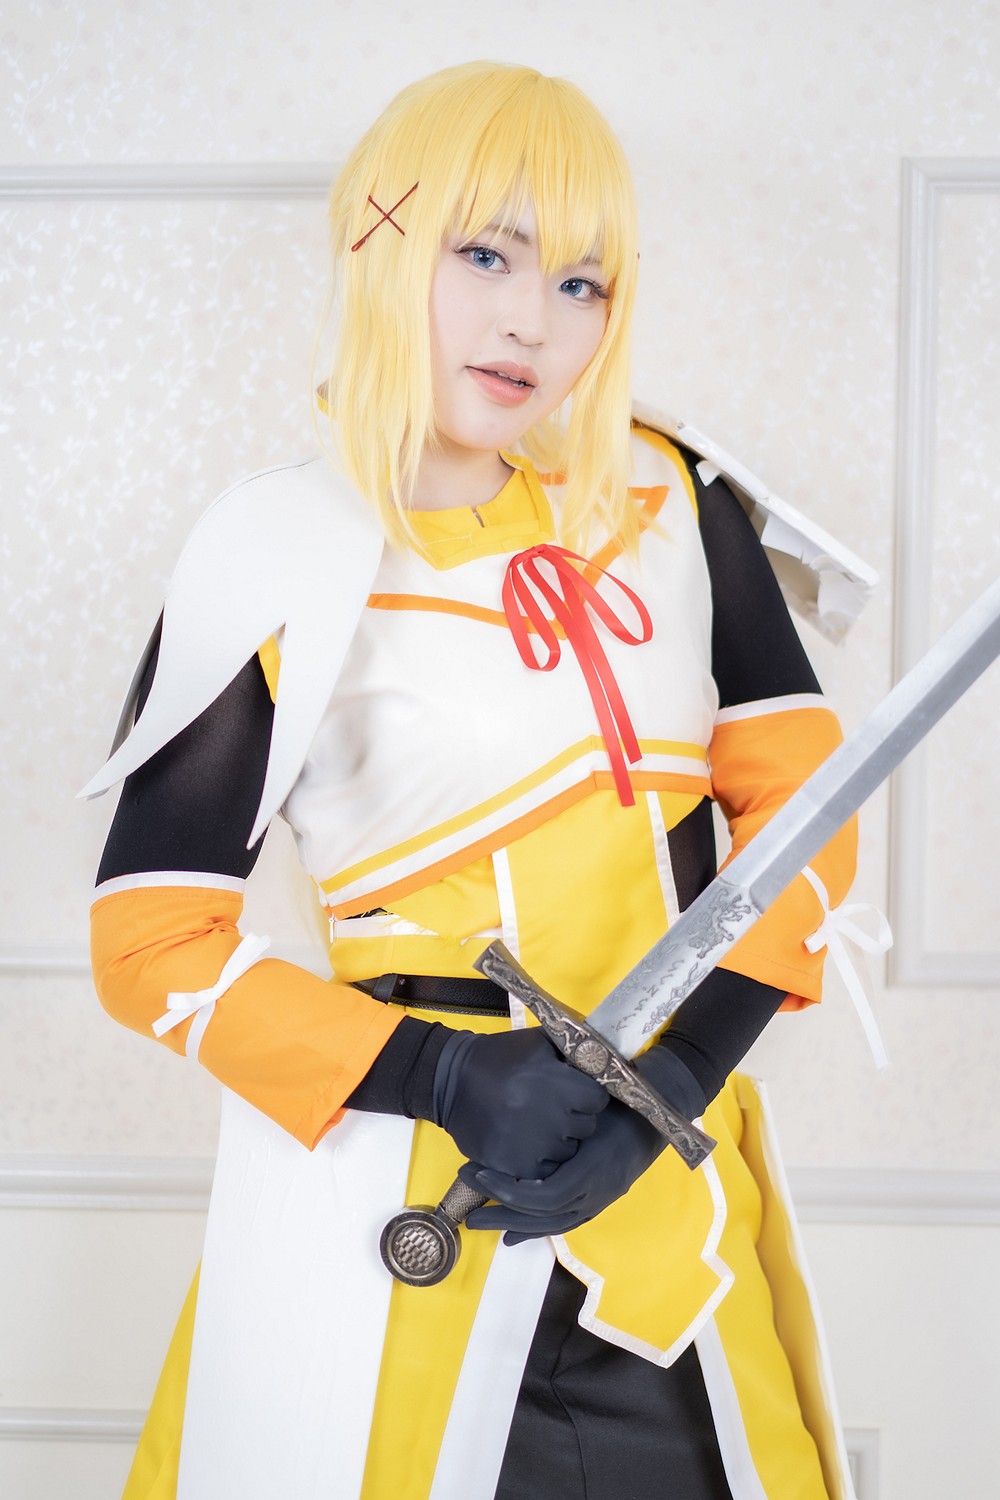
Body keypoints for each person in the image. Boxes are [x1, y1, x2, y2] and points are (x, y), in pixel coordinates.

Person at [85, 60, 859, 1500]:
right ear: (379, 238)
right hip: (393, 1214)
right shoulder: (270, 552)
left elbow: (803, 815)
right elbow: (149, 941)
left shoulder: (669, 504)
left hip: (671, 1218)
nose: (531, 322)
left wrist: (684, 1071)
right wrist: (440, 1073)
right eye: (488, 255)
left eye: (582, 282)